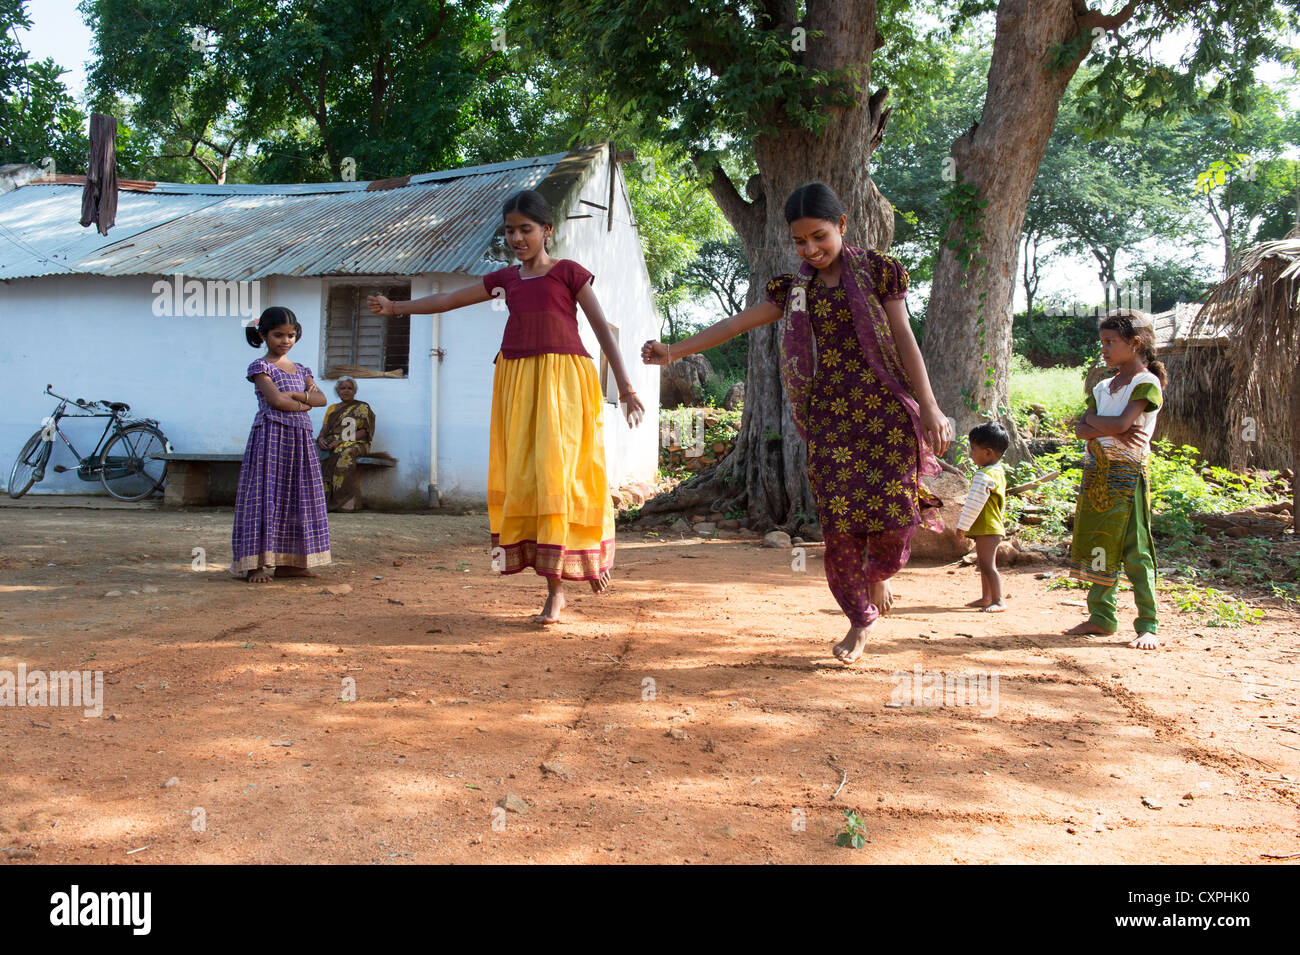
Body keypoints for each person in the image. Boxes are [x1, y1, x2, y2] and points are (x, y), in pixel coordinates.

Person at [642, 181, 953, 664]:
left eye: (819, 237)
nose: (811, 249)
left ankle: (881, 572)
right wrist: (673, 351)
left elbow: (904, 336)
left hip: (887, 418)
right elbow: (735, 325)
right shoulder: (795, 291)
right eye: (800, 241)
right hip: (832, 423)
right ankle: (859, 620)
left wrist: (929, 405)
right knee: (841, 525)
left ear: (842, 226)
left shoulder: (878, 272)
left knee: (894, 519)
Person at [368, 189, 645, 624]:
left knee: (564, 472)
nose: (517, 238)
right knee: (528, 479)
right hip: (516, 381)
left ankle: (586, 561)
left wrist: (626, 387)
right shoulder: (508, 280)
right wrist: (395, 307)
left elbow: (601, 330)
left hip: (563, 383)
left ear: (547, 231)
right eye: (511, 230)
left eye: (526, 229)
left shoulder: (571, 273)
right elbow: (448, 300)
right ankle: (555, 586)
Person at [1065, 309, 1167, 649]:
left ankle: (1147, 624)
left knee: (1136, 551)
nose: (1104, 350)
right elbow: (1081, 430)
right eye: (1102, 343)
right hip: (1098, 475)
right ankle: (1102, 617)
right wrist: (1102, 426)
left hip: (1129, 475)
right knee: (1099, 544)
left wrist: (1099, 425)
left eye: (1111, 342)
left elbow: (1122, 425)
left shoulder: (1145, 383)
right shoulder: (1104, 386)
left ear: (1135, 343)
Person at [231, 306, 331, 582]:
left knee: (298, 495)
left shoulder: (301, 369)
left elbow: (322, 399)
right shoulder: (260, 367)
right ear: (263, 335)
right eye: (278, 335)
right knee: (265, 494)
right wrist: (304, 404)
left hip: (299, 439)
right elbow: (276, 401)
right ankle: (256, 565)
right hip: (271, 436)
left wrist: (297, 395)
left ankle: (290, 563)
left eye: (290, 335)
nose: (285, 340)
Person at [956, 422, 1009, 612]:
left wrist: (962, 525)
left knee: (988, 566)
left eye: (973, 449)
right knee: (984, 564)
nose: (971, 453)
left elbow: (974, 503)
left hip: (988, 528)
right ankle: (987, 597)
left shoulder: (984, 476)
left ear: (988, 453)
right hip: (990, 527)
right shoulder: (997, 472)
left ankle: (998, 600)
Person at [318, 377, 376, 512]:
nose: (346, 391)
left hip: (356, 443)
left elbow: (364, 431)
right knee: (313, 453)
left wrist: (343, 441)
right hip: (332, 441)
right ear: (337, 391)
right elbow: (325, 429)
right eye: (342, 388)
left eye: (349, 388)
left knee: (344, 453)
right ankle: (320, 500)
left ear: (355, 391)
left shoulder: (362, 407)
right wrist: (321, 438)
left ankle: (346, 501)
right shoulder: (332, 409)